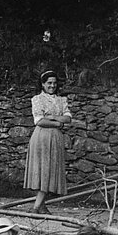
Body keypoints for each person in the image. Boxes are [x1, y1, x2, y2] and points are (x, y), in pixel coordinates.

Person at [24, 70, 71, 213]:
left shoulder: (61, 100)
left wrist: (50, 117)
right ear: (43, 84)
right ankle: (36, 207)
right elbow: (39, 121)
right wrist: (58, 122)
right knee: (43, 170)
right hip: (42, 138)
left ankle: (41, 206)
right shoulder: (37, 99)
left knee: (51, 170)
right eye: (49, 83)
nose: (52, 86)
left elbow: (68, 118)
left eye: (54, 83)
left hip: (55, 138)